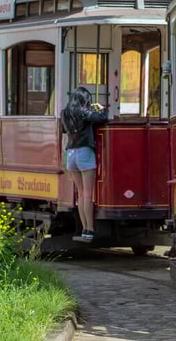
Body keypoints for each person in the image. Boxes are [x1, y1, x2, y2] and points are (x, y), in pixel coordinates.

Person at [61, 87, 108, 242]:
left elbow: (63, 130)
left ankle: (84, 230)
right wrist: (102, 108)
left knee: (80, 194)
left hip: (71, 154)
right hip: (84, 152)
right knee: (88, 193)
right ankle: (90, 229)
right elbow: (101, 118)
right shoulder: (82, 112)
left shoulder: (65, 112)